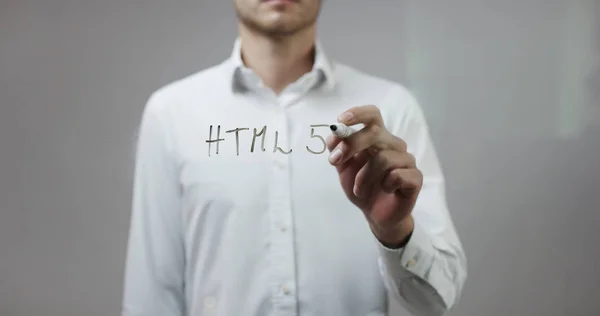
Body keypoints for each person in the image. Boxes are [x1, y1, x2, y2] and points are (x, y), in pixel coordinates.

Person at [122, 0, 467, 315]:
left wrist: (394, 231)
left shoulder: (388, 110)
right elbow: (152, 298)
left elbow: (436, 301)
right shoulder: (170, 114)